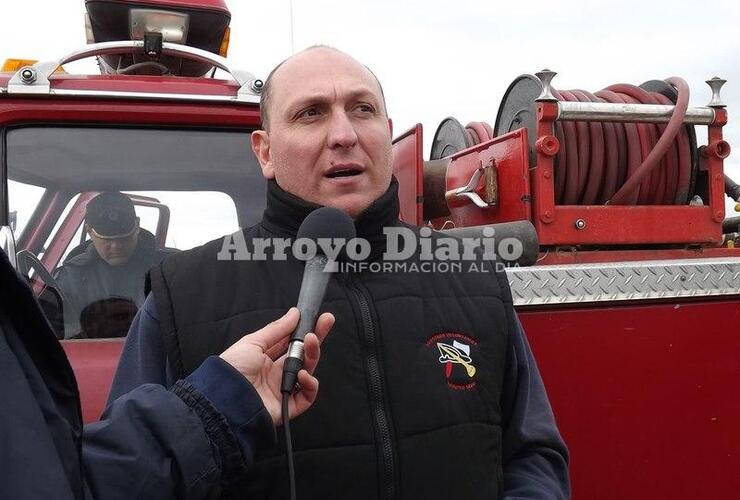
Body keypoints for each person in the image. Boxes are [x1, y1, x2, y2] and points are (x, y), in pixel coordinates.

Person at [110, 46, 570, 499]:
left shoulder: (474, 275)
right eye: (311, 113)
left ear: (387, 135)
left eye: (362, 109)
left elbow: (534, 454)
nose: (344, 134)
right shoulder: (182, 296)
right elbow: (133, 479)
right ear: (265, 153)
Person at [0, 247, 334, 500]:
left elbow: (65, 480)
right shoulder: (174, 287)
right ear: (264, 154)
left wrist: (218, 407)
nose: (340, 149)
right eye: (105, 236)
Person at [55, 191, 171, 338]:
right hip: (90, 357)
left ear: (137, 225)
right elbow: (58, 332)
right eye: (107, 240)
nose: (116, 246)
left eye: (124, 239)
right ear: (89, 231)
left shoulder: (167, 269)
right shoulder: (72, 275)